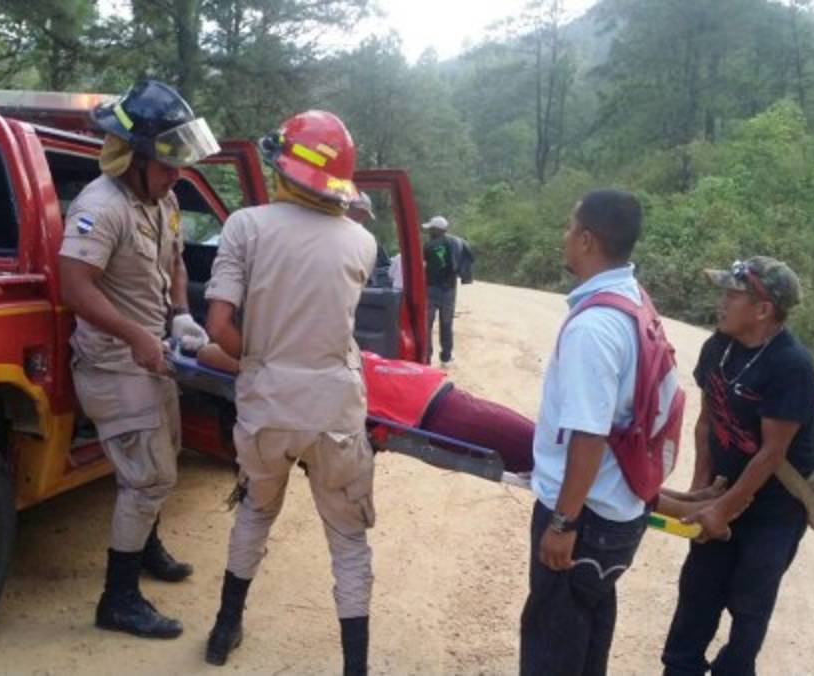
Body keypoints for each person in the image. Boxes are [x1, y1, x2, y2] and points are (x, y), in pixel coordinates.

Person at [202, 110, 377, 674]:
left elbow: (219, 327)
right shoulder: (363, 242)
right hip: (336, 413)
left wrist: (256, 364)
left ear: (284, 165)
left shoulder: (245, 226)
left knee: (254, 512)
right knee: (348, 541)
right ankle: (355, 667)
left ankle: (224, 629)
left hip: (267, 411)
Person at [58, 80, 220, 639]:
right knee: (148, 476)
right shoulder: (99, 207)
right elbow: (75, 287)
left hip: (151, 354)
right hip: (113, 362)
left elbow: (174, 261)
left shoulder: (163, 200)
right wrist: (134, 334)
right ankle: (118, 599)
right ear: (134, 158)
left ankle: (146, 548)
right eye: (168, 164)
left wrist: (179, 313)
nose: (178, 174)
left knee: (162, 456)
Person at [520, 190, 681, 675]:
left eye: (570, 228)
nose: (564, 237)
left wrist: (562, 523)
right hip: (618, 512)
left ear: (587, 240)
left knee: (552, 647)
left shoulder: (595, 327)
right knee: (587, 638)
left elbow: (588, 437)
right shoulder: (635, 301)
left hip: (586, 519)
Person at [662, 257, 814, 676]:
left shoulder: (792, 367)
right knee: (697, 593)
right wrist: (701, 491)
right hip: (724, 487)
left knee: (749, 606)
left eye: (732, 294)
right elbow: (707, 420)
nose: (722, 302)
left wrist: (724, 510)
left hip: (775, 512)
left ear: (763, 309)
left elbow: (771, 454)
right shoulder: (719, 346)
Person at [194, 343, 535, 473]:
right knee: (535, 448)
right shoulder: (272, 360)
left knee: (537, 444)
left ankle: (578, 467)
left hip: (422, 394)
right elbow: (209, 355)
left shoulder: (284, 340)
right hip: (422, 408)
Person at [422, 215, 473, 366]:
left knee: (427, 325)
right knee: (446, 324)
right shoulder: (456, 243)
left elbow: (422, 266)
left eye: (431, 229)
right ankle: (445, 357)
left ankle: (427, 358)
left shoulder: (428, 246)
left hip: (430, 289)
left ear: (437, 230)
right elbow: (469, 256)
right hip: (449, 291)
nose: (429, 231)